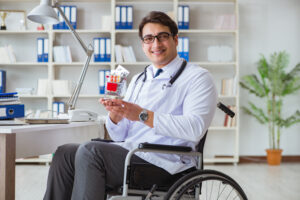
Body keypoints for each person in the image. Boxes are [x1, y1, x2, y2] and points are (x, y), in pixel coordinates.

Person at [43, 11, 217, 200]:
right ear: (143, 45)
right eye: (149, 39)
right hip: (132, 152)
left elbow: (195, 129)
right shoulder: (139, 79)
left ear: (176, 39)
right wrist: (116, 118)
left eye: (163, 37)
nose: (156, 44)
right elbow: (121, 136)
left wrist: (143, 115)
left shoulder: (198, 77)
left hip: (167, 163)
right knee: (64, 153)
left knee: (91, 151)